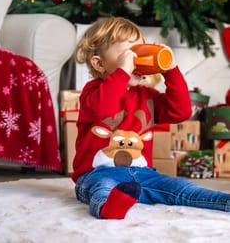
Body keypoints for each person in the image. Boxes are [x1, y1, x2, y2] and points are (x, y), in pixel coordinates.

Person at [72, 17, 230, 219]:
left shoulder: (146, 95)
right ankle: (108, 208)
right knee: (102, 190)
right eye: (128, 54)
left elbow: (180, 111)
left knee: (182, 187)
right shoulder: (92, 92)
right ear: (99, 63)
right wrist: (123, 71)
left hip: (144, 175)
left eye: (140, 51)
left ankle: (224, 202)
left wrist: (171, 71)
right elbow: (103, 108)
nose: (136, 60)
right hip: (97, 174)